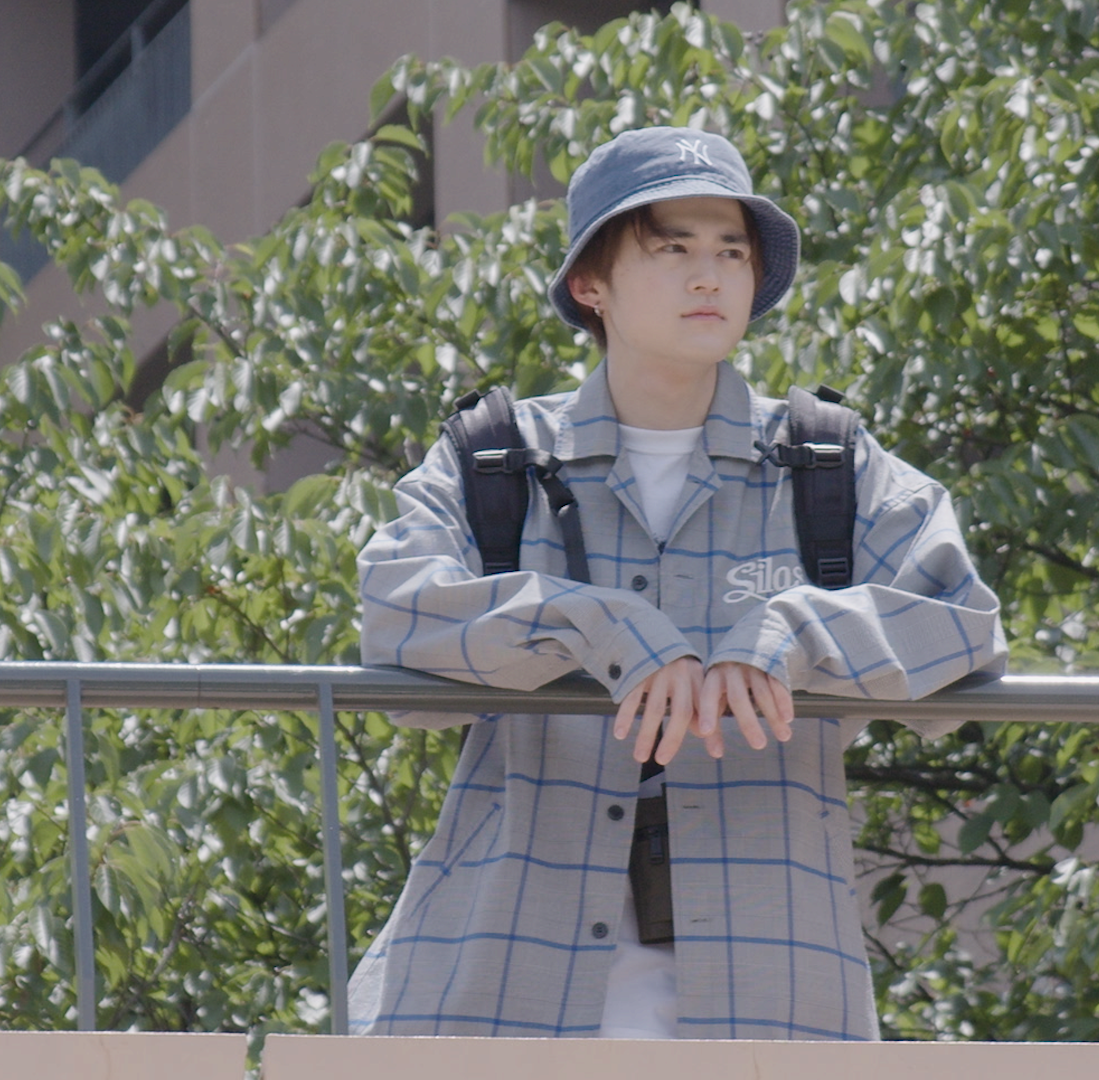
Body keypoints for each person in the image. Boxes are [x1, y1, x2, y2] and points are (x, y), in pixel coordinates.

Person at [349, 126, 1006, 1040]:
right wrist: (598, 626)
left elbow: (964, 622)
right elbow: (394, 608)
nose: (710, 277)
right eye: (673, 249)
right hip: (497, 991)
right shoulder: (493, 457)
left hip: (772, 999)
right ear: (591, 284)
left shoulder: (829, 462)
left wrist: (792, 632)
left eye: (732, 252)